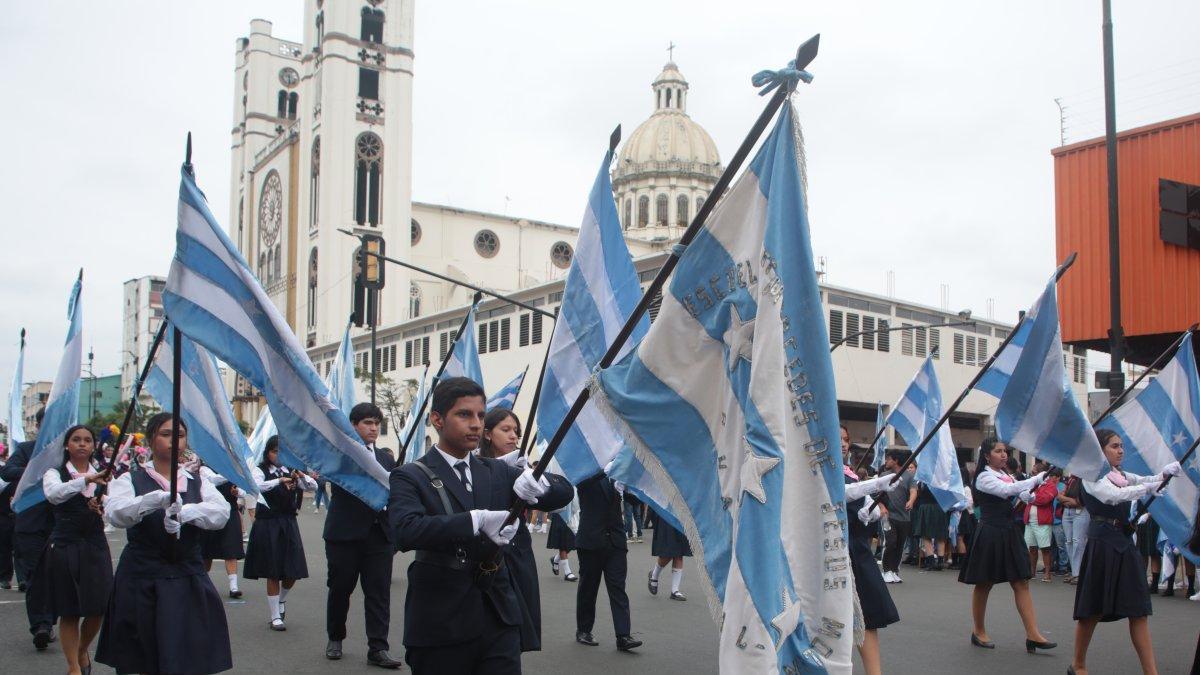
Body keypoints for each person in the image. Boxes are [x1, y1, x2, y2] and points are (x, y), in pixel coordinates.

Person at [389, 377, 572, 673]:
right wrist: (476, 520)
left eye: (480, 415)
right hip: (440, 616)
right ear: (437, 419)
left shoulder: (496, 470)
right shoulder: (411, 475)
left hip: (497, 614)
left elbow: (565, 492)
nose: (475, 424)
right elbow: (405, 531)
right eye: (464, 414)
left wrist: (541, 484)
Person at [95, 412, 233, 674]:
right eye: (166, 434)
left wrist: (186, 513)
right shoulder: (130, 479)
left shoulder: (197, 481)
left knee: (187, 654)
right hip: (141, 576)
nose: (174, 441)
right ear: (150, 439)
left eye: (179, 435)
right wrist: (153, 501)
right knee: (143, 656)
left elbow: (221, 513)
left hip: (186, 575)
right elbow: (116, 513)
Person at [1070, 429, 1181, 675]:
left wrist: (1163, 475)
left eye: (1121, 446)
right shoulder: (1091, 475)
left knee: (1138, 609)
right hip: (1102, 543)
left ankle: (1151, 672)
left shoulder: (1118, 474)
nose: (1120, 450)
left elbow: (1142, 480)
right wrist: (1148, 489)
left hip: (1123, 542)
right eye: (1114, 446)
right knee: (1093, 610)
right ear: (1100, 449)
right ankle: (1078, 664)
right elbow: (1112, 496)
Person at [957, 437, 1055, 654]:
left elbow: (1023, 495)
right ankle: (979, 631)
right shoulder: (983, 477)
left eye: (1005, 451)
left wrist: (1037, 486)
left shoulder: (1006, 475)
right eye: (998, 451)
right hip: (990, 532)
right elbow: (1005, 491)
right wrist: (1034, 479)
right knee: (984, 583)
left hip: (1009, 531)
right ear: (986, 455)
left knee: (1021, 582)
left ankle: (1033, 634)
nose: (1004, 455)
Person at [323, 402, 402, 668]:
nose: (374, 428)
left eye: (377, 423)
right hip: (344, 535)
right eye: (368, 423)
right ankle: (335, 637)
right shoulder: (341, 454)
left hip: (379, 536)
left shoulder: (385, 458)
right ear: (354, 426)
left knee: (378, 594)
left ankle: (378, 648)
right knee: (340, 590)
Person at [30, 425, 112, 675]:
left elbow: (115, 508)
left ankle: (81, 648)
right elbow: (55, 495)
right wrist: (86, 480)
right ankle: (73, 667)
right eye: (76, 439)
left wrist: (104, 509)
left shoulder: (105, 475)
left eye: (87, 440)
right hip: (65, 544)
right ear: (67, 445)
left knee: (99, 607)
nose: (82, 444)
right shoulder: (55, 473)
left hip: (95, 544)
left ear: (94, 445)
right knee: (70, 610)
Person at [477, 407, 546, 652]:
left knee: (514, 632)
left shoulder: (522, 469)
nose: (513, 436)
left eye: (516, 431)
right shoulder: (474, 468)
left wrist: (531, 476)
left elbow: (559, 494)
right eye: (505, 430)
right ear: (487, 434)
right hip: (485, 555)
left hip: (517, 556)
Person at [839, 424, 899, 675]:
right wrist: (875, 484)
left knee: (866, 618)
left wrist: (870, 512)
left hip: (858, 550)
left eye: (845, 439)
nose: (842, 443)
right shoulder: (817, 471)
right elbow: (840, 493)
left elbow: (866, 505)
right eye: (837, 437)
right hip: (831, 552)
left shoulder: (850, 473)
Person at [0, 407, 58, 649]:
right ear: (38, 426)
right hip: (31, 525)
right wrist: (37, 472)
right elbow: (7, 471)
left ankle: (52, 618)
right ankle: (41, 625)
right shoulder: (26, 450)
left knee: (57, 577)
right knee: (36, 577)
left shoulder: (67, 452)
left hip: (63, 526)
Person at [245, 435, 315, 631]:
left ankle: (281, 600)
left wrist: (301, 476)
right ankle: (275, 616)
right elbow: (256, 486)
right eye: (275, 451)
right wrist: (278, 481)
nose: (278, 456)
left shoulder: (291, 471)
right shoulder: (260, 471)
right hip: (268, 524)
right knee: (273, 571)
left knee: (293, 570)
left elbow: (313, 486)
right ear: (268, 452)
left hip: (288, 523)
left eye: (282, 452)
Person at [575, 467, 642, 652]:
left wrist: (627, 487)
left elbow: (636, 500)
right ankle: (583, 630)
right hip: (591, 540)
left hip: (616, 542)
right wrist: (607, 470)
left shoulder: (619, 472)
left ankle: (623, 636)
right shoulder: (588, 470)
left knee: (618, 589)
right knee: (588, 588)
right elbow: (581, 482)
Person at [198, 463, 245, 600]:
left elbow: (243, 490)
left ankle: (233, 587)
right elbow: (213, 479)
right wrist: (231, 471)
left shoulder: (232, 469)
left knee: (231, 550)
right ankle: (202, 584)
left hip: (230, 511)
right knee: (206, 552)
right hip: (211, 511)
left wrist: (238, 492)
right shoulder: (204, 468)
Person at [880, 450, 915, 583]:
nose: (886, 461)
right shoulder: (884, 475)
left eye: (888, 459)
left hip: (904, 517)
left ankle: (894, 571)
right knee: (891, 542)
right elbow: (877, 495)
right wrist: (882, 508)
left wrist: (911, 501)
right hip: (888, 516)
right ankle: (886, 571)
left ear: (896, 460)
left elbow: (913, 490)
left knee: (900, 545)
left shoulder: (909, 476)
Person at [1023, 467, 1060, 583]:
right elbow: (1023, 494)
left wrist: (1031, 497)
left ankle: (1047, 573)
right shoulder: (1034, 484)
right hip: (1029, 520)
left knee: (1045, 548)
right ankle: (1032, 572)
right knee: (1032, 548)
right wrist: (1031, 496)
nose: (1034, 475)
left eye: (1035, 473)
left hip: (1042, 521)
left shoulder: (1051, 486)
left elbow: (1044, 499)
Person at [647, 513, 690, 601]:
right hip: (666, 514)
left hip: (680, 515)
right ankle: (654, 575)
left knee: (679, 553)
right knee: (667, 553)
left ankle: (675, 591)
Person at [1060, 471, 1089, 585]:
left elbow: (1080, 502)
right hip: (1067, 511)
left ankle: (1079, 573)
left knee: (1078, 542)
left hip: (1080, 512)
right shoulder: (1071, 480)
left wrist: (1064, 499)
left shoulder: (1085, 480)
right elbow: (1059, 496)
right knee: (1069, 542)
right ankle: (1074, 572)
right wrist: (1066, 499)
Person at [546, 511, 579, 582]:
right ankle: (567, 572)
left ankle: (555, 559)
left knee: (573, 544)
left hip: (573, 514)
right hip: (560, 514)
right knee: (563, 544)